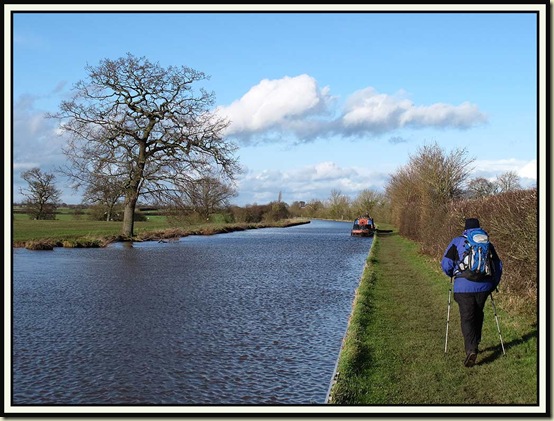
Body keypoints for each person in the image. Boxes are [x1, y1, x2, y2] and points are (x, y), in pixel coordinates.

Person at [441, 218, 503, 367]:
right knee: (478, 313)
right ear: (479, 228)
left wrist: (451, 274)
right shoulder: (487, 243)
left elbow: (446, 263)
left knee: (467, 317)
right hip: (484, 286)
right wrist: (493, 283)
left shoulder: (457, 241)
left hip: (463, 287)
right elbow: (498, 265)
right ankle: (476, 341)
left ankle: (471, 349)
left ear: (465, 229)